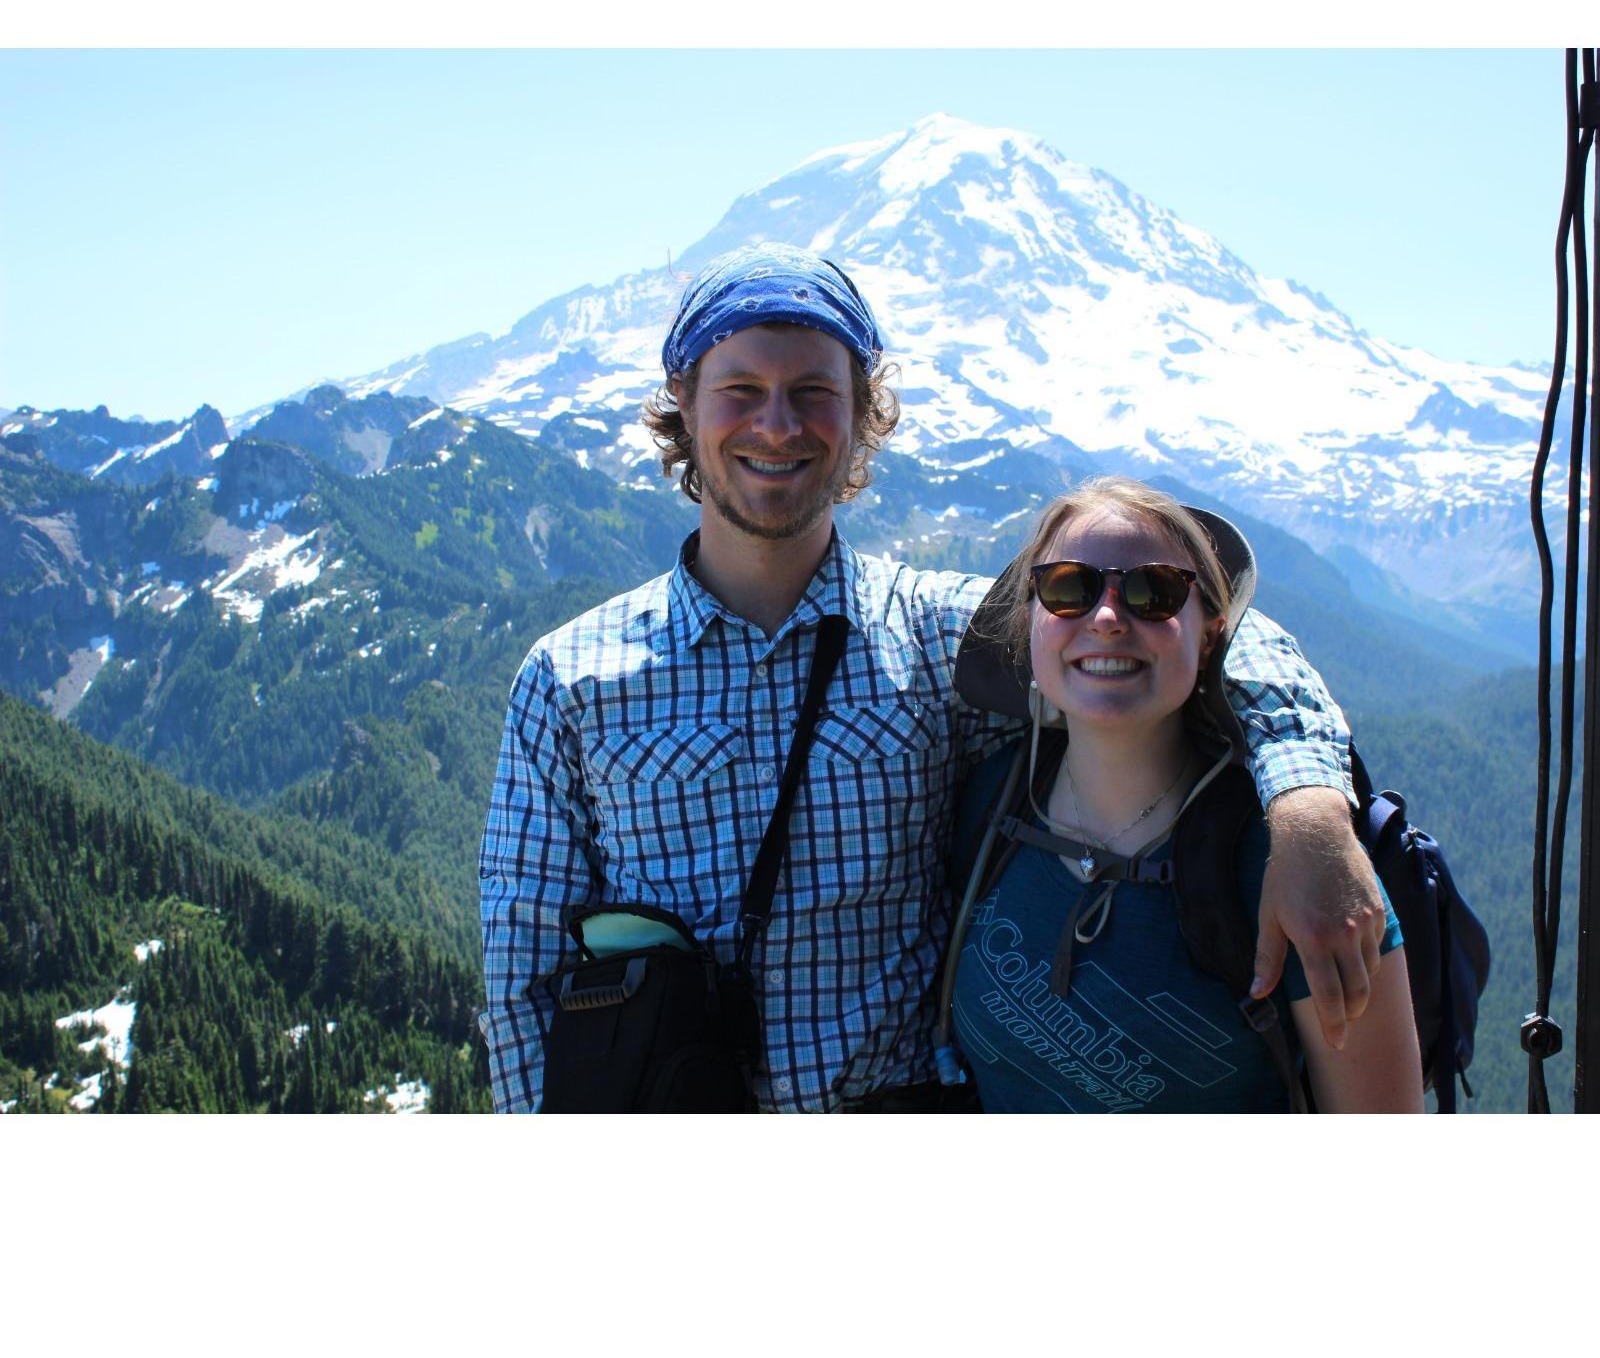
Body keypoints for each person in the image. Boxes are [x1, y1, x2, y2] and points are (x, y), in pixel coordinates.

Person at [479, 241, 1389, 1113]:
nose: (778, 425)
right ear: (683, 402)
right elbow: (523, 978)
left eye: (812, 392)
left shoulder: (942, 638)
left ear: (861, 411)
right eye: (742, 390)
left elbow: (1217, 631)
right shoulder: (571, 679)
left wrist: (1306, 809)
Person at [941, 476, 1424, 1112]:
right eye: (1067, 588)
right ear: (1029, 622)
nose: (1108, 618)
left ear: (1212, 635)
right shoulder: (991, 803)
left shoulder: (1295, 870)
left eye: (1153, 592)